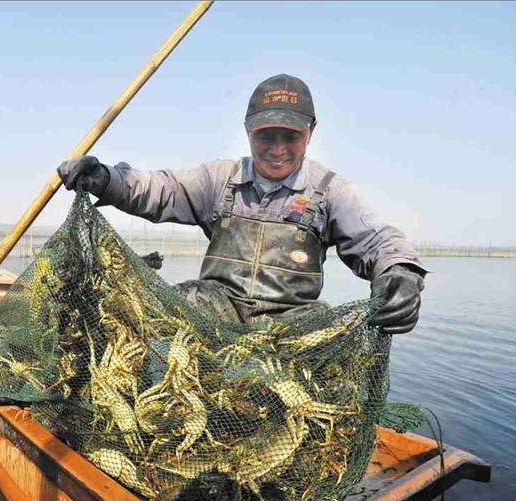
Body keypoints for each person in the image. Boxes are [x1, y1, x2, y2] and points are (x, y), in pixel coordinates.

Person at [58, 74, 427, 334]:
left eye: (291, 136)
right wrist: (107, 178)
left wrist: (401, 273)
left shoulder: (329, 190)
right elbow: (161, 190)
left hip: (291, 319)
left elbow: (378, 240)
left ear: (310, 132)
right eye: (265, 135)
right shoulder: (222, 179)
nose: (277, 148)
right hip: (216, 309)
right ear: (248, 130)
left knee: (331, 331)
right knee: (172, 306)